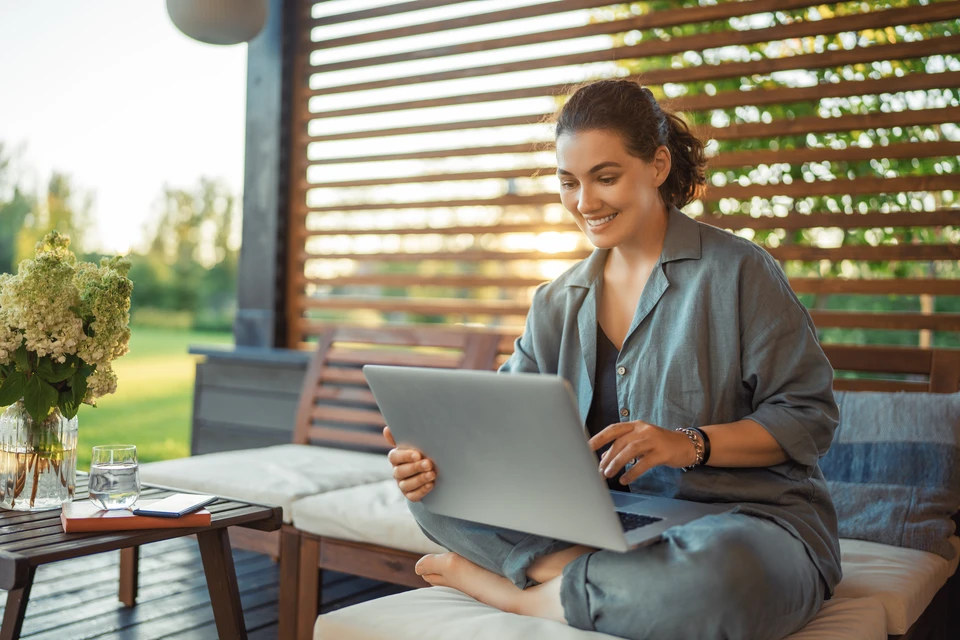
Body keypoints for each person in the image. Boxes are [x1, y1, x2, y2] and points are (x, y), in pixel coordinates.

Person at [382, 79, 841, 640]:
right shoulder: (555, 302)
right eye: (568, 182)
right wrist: (435, 459)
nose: (584, 203)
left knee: (724, 579)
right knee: (436, 497)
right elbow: (509, 431)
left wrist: (687, 443)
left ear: (658, 165)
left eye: (605, 177)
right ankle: (603, 580)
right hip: (604, 524)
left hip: (745, 522)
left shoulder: (740, 272)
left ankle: (512, 589)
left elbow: (808, 417)